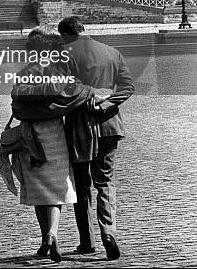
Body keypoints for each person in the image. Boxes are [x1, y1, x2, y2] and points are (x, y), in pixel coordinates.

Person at [8, 29, 106, 262]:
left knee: (39, 191)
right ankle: (52, 234)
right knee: (55, 190)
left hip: (30, 137)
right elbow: (79, 94)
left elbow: (16, 104)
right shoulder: (59, 74)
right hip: (55, 135)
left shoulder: (24, 74)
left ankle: (45, 239)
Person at [58, 16, 135, 260]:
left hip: (80, 125)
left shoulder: (64, 53)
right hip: (110, 125)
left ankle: (87, 240)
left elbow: (64, 87)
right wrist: (106, 102)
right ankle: (109, 231)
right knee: (105, 181)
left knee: (82, 185)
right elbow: (127, 87)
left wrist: (89, 97)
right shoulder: (112, 52)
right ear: (83, 30)